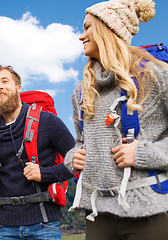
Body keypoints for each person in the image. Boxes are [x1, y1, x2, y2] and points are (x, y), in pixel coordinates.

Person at [64, 0, 168, 239]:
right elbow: (81, 142)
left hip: (150, 214)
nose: (81, 36)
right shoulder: (82, 93)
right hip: (98, 216)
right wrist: (74, 157)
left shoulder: (156, 76)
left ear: (109, 28)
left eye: (88, 27)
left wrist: (142, 153)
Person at [0, 64, 75, 240]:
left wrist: (45, 173)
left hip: (44, 225)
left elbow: (77, 161)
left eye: (4, 81)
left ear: (18, 87)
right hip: (4, 229)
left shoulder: (47, 121)